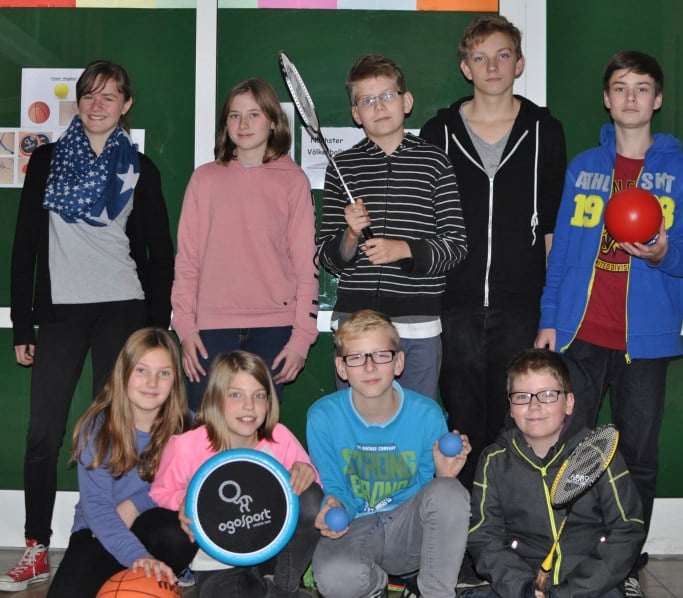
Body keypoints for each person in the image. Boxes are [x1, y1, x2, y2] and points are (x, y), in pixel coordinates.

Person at [534, 51, 683, 596]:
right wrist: (549, 319)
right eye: (619, 87)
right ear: (606, 99)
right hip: (580, 336)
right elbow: (562, 254)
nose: (630, 96)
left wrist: (661, 253)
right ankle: (569, 556)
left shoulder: (682, 173)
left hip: (645, 344)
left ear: (657, 100)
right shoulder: (584, 167)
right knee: (568, 453)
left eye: (641, 87)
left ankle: (626, 562)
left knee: (638, 459)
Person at [0, 60, 174, 592]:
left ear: (126, 106)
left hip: (123, 307)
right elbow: (25, 245)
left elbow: (159, 253)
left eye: (109, 96)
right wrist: (22, 323)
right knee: (43, 433)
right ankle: (36, 547)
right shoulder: (47, 160)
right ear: (78, 103)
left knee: (118, 434)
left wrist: (157, 330)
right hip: (61, 311)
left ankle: (108, 535)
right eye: (90, 96)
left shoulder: (139, 169)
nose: (98, 105)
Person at [419, 14, 567, 490]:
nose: (492, 66)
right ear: (466, 68)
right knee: (462, 427)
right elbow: (426, 226)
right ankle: (467, 527)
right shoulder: (438, 132)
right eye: (480, 58)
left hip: (521, 306)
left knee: (517, 427)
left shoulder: (545, 131)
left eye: (503, 55)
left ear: (519, 63)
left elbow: (552, 227)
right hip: (454, 305)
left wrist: (551, 310)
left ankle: (511, 527)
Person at [316, 54, 468, 400]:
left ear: (406, 101)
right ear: (356, 114)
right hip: (356, 326)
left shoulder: (435, 163)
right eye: (367, 100)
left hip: (417, 326)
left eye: (387, 95)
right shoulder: (342, 167)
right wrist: (351, 235)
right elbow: (328, 257)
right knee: (355, 423)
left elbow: (457, 245)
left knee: (414, 421)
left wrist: (403, 250)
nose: (379, 106)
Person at [171, 78, 319, 412]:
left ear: (273, 121)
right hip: (209, 328)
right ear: (225, 123)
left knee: (256, 428)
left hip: (274, 329)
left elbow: (306, 265)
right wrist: (185, 327)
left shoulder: (294, 181)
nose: (243, 124)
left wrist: (301, 338)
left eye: (254, 114)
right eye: (235, 115)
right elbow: (187, 260)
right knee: (204, 426)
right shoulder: (204, 179)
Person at [306, 309, 472, 597]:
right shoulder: (323, 416)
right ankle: (376, 585)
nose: (370, 367)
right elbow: (334, 486)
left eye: (381, 355)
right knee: (334, 578)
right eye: (356, 357)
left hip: (409, 530)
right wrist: (334, 505)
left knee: (450, 491)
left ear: (399, 362)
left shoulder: (427, 414)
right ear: (341, 368)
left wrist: (444, 475)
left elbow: (429, 495)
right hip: (355, 526)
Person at [465, 348, 645, 598]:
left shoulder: (598, 453)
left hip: (590, 587)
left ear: (568, 403)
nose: (534, 406)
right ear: (511, 407)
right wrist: (523, 588)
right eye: (522, 396)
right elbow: (483, 537)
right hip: (522, 586)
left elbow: (627, 531)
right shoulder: (493, 461)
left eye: (548, 395)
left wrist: (568, 592)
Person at [149, 350, 323, 597]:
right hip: (218, 560)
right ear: (215, 399)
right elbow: (159, 494)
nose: (249, 406)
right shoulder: (187, 446)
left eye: (258, 395)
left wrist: (306, 472)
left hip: (272, 553)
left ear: (269, 401)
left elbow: (316, 494)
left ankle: (284, 586)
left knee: (310, 495)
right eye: (235, 394)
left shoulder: (279, 437)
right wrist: (185, 501)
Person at [47, 327, 195, 597]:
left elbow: (205, 481)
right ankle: (136, 570)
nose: (152, 382)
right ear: (123, 373)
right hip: (100, 527)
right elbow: (97, 508)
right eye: (141, 370)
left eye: (164, 373)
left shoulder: (189, 427)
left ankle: (168, 575)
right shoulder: (98, 427)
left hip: (156, 526)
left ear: (176, 380)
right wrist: (138, 557)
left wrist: (136, 504)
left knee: (177, 535)